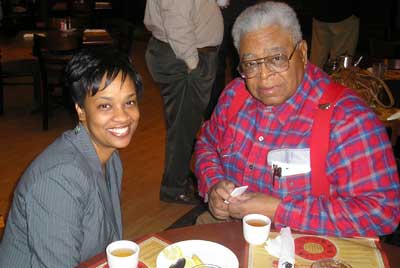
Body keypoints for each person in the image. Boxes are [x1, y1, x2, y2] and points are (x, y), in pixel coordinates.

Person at [194, 1, 400, 237]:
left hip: (308, 243)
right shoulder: (234, 96)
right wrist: (213, 185)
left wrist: (278, 210)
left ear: (302, 52)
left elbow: (382, 211)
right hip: (231, 229)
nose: (264, 76)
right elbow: (207, 144)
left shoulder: (347, 119)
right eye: (251, 64)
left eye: (277, 58)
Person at [0, 48, 143, 267]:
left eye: (129, 102)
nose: (123, 116)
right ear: (81, 110)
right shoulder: (59, 179)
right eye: (105, 105)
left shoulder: (110, 157)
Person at [144, 0, 223, 204]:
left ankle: (178, 177)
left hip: (186, 55)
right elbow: (176, 22)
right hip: (183, 58)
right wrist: (193, 64)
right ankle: (173, 187)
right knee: (182, 127)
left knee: (185, 124)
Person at [204, 0, 257, 120]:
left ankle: (244, 113)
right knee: (215, 70)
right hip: (214, 16)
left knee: (243, 67)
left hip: (243, 14)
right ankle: (213, 118)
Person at [310, 0, 360, 68]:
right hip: (344, 11)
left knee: (317, 58)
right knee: (341, 62)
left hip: (319, 10)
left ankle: (312, 77)